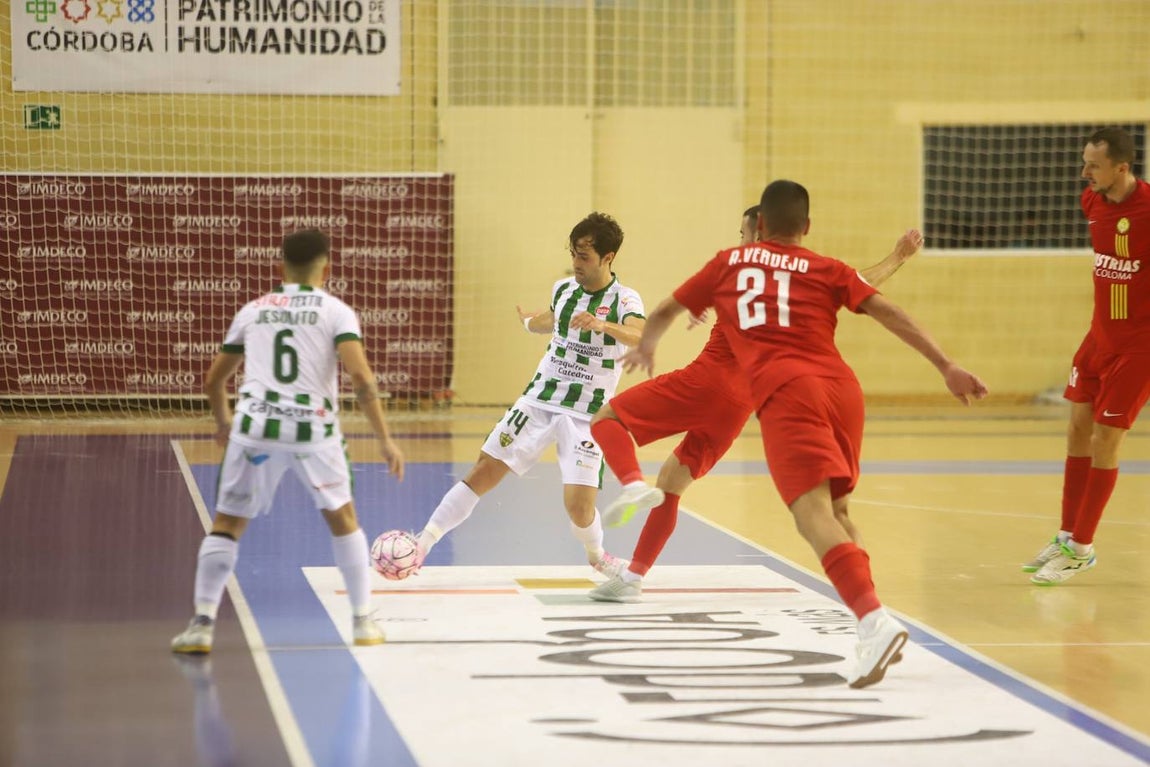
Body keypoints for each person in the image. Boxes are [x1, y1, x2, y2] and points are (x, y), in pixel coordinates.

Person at [620, 180, 987, 689]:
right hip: (844, 391)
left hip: (790, 392)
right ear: (807, 228)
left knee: (810, 513)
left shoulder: (730, 263)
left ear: (760, 226)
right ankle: (869, 623)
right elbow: (886, 309)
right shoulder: (826, 268)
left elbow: (662, 312)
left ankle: (874, 621)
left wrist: (649, 347)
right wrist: (946, 364)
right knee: (837, 514)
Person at [589, 206, 922, 603]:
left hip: (707, 382)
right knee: (673, 483)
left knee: (607, 418)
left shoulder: (738, 269)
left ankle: (630, 485)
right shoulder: (799, 283)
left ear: (759, 236)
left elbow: (673, 306)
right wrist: (898, 257)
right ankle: (633, 576)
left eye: (744, 234)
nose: (741, 241)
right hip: (740, 404)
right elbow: (860, 283)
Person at [171, 229, 406, 654]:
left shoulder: (254, 310)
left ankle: (202, 625)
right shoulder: (336, 311)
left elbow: (214, 379)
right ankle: (362, 621)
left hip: (256, 425)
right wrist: (386, 439)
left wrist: (225, 423)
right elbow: (362, 377)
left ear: (280, 269)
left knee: (226, 523)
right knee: (343, 519)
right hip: (311, 429)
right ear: (327, 269)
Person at [410, 212, 644, 575]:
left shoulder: (625, 300)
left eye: (584, 257)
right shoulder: (564, 289)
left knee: (579, 508)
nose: (576, 264)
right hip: (539, 400)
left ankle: (598, 556)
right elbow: (550, 320)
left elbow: (641, 335)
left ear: (608, 257)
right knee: (484, 470)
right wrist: (526, 322)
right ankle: (420, 546)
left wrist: (602, 325)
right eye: (573, 255)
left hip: (587, 414)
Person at [1025, 127, 1150, 585]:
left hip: (1138, 347)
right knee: (1077, 427)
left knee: (1105, 439)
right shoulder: (1092, 202)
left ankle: (1082, 547)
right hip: (1097, 339)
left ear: (1122, 167)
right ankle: (1065, 535)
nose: (1085, 172)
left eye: (1093, 165)